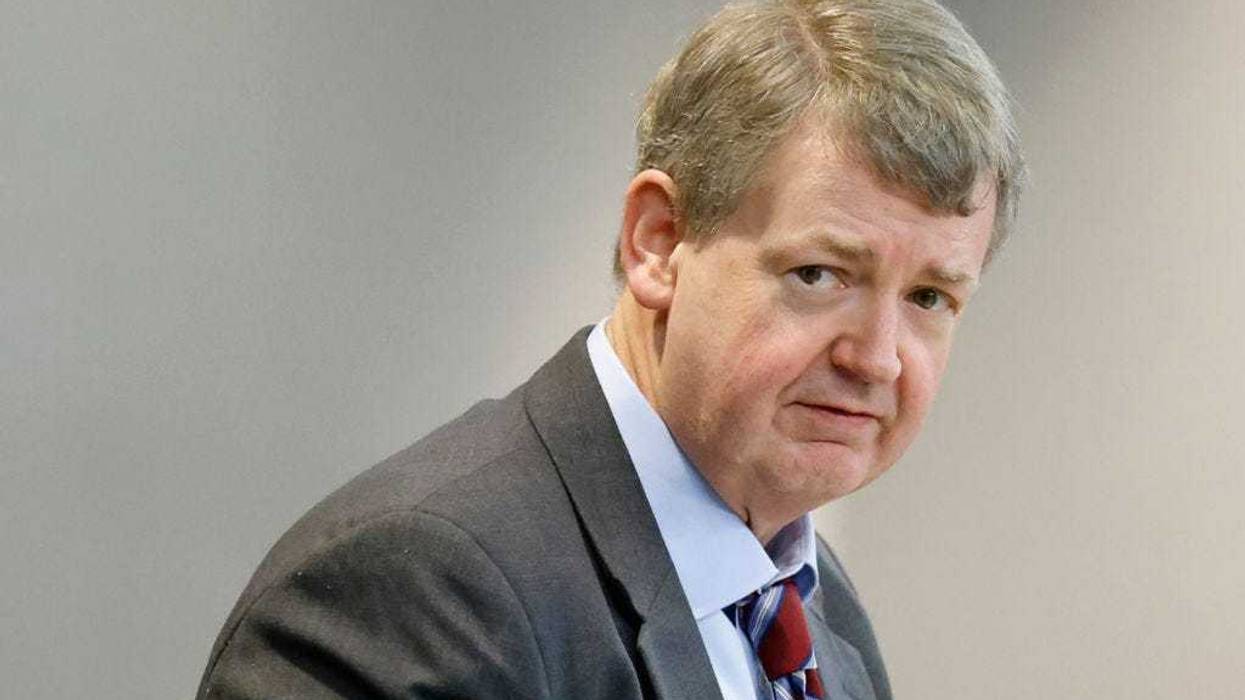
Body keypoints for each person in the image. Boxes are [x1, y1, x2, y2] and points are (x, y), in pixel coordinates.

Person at [197, 0, 1024, 698]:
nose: (877, 359)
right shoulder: (421, 590)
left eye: (928, 298)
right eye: (820, 274)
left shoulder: (818, 609)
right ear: (659, 242)